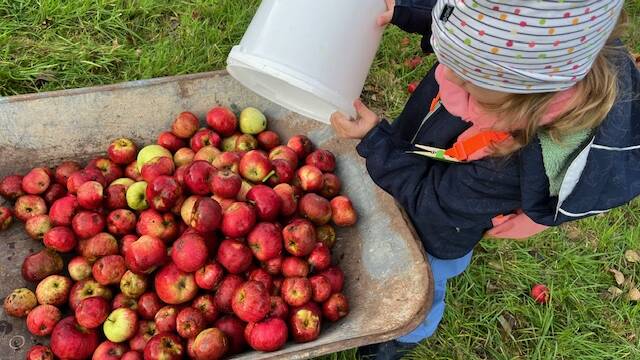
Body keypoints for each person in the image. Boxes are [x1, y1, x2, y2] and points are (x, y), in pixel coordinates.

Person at [330, 0, 639, 359]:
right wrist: (408, 12)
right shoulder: (533, 55)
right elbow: (469, 21)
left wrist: (375, 143)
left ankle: (411, 329)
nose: (446, 77)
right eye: (448, 60)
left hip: (442, 225)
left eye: (466, 79)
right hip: (446, 179)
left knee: (429, 269)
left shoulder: (513, 162)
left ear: (525, 100)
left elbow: (434, 207)